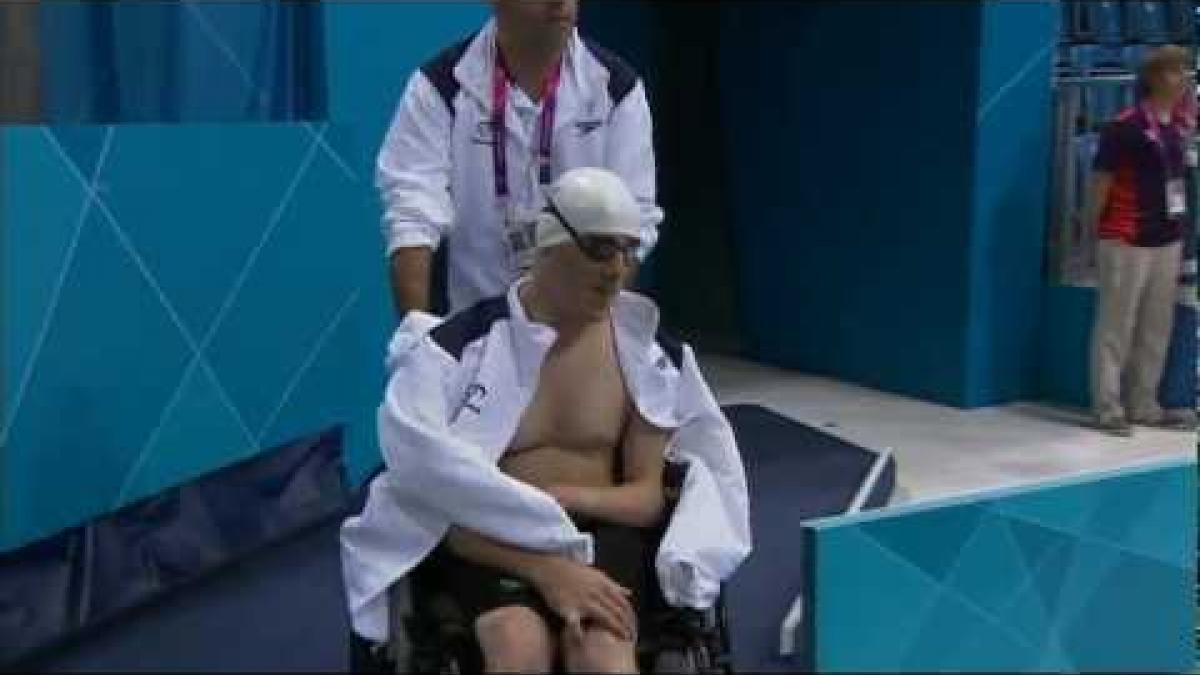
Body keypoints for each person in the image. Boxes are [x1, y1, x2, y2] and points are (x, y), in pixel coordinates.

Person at [341, 168, 750, 673]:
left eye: (628, 250)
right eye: (600, 249)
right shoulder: (459, 354)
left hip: (606, 536)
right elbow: (438, 502)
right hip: (493, 541)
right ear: (550, 247)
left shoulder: (646, 358)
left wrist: (564, 501)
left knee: (601, 652)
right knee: (518, 645)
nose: (617, 270)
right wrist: (546, 569)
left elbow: (648, 498)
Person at [377, 0, 664, 316]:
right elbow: (411, 217)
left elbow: (634, 220)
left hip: (576, 326)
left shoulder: (617, 90)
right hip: (471, 331)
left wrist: (594, 335)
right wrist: (419, 342)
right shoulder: (439, 89)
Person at [1087, 45, 1197, 436]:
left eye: (1185, 70)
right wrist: (1092, 229)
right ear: (1153, 78)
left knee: (1156, 327)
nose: (1182, 77)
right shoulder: (1126, 125)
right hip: (1125, 237)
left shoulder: (1178, 125)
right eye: (1173, 71)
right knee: (1116, 325)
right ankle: (1107, 407)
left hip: (1167, 238)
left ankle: (1144, 404)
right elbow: (1101, 182)